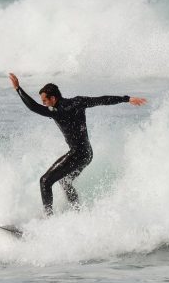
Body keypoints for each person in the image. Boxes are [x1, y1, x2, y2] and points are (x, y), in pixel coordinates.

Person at [9, 73, 147, 216]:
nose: (44, 103)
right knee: (64, 182)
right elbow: (102, 100)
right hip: (87, 154)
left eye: (45, 101)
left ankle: (48, 219)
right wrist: (127, 99)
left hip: (77, 154)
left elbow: (33, 107)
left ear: (53, 98)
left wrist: (18, 88)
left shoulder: (57, 112)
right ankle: (78, 213)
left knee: (45, 181)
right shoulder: (78, 102)